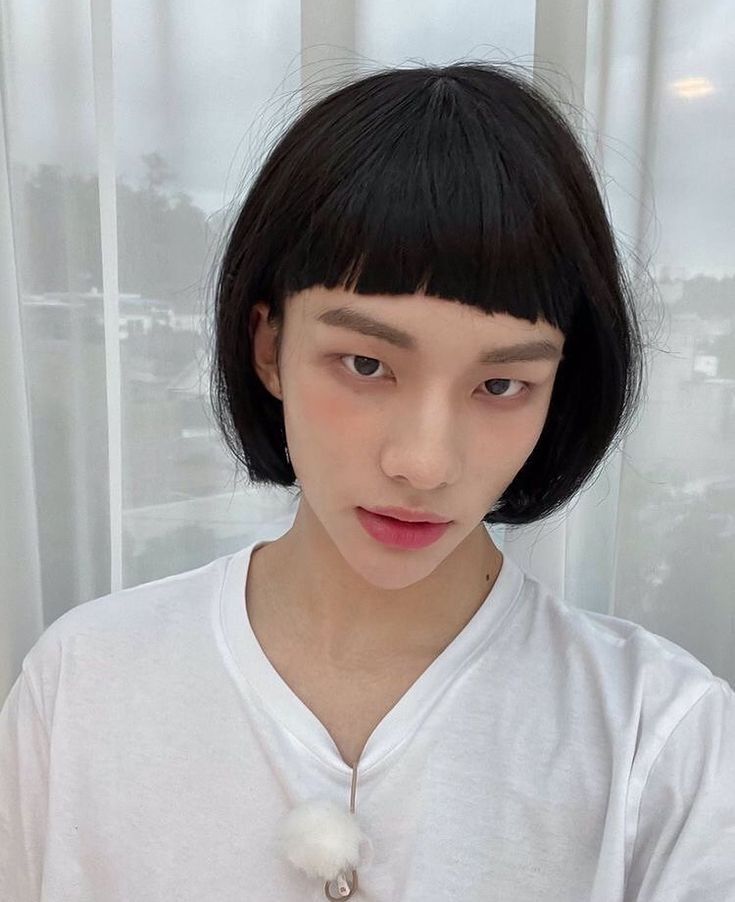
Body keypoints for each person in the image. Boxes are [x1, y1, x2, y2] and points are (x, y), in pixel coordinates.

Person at [1, 61, 734, 902]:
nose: (423, 463)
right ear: (269, 347)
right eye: (364, 364)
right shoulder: (86, 682)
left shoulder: (658, 736)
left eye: (501, 384)